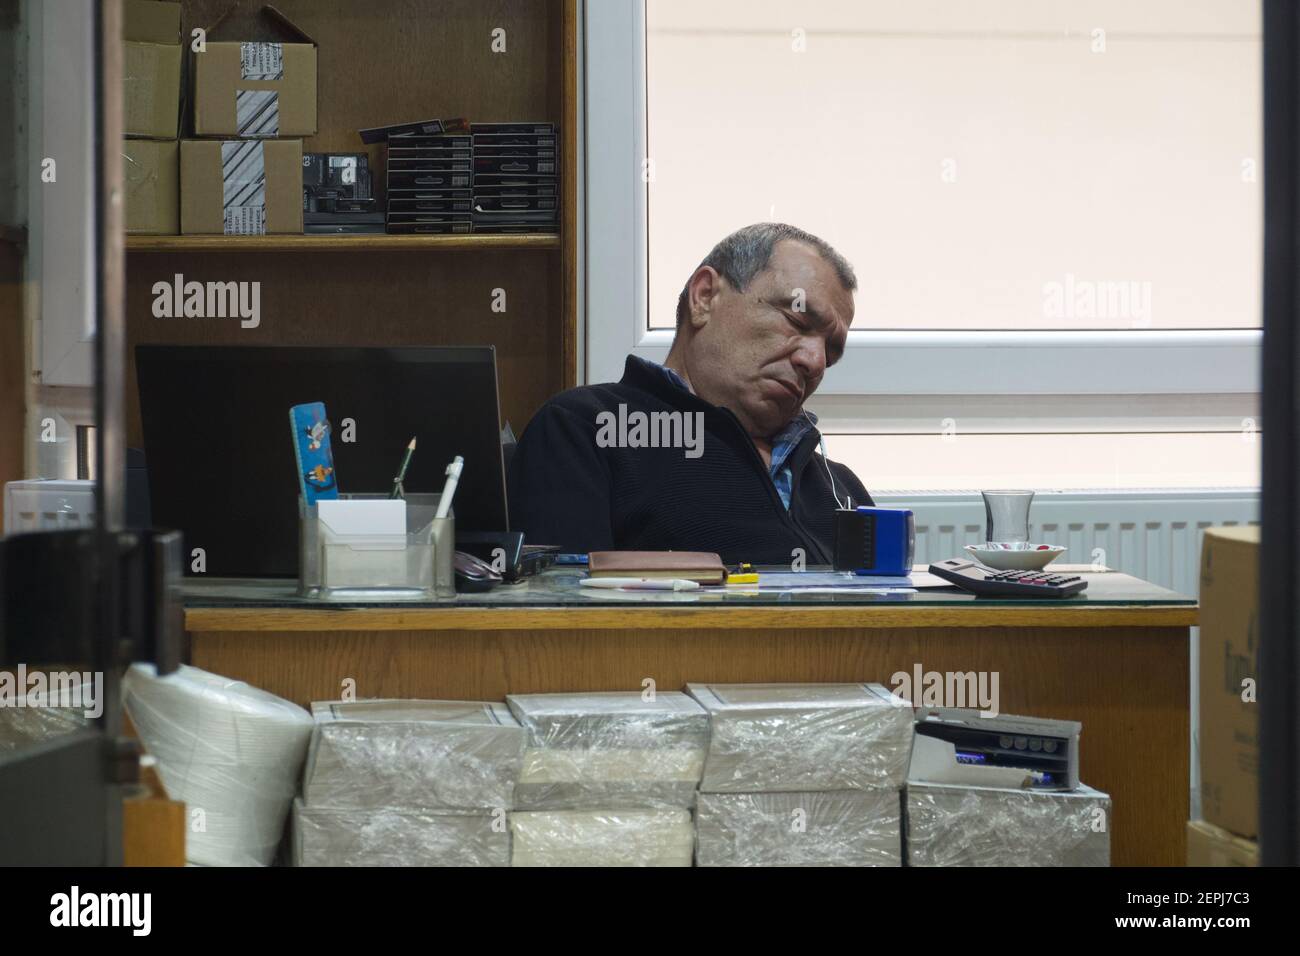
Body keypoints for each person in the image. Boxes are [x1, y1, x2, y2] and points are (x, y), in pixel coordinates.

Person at [508, 222, 873, 564]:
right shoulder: (589, 430)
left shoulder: (842, 488)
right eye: (796, 319)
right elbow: (564, 619)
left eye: (832, 352)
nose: (815, 361)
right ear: (704, 297)